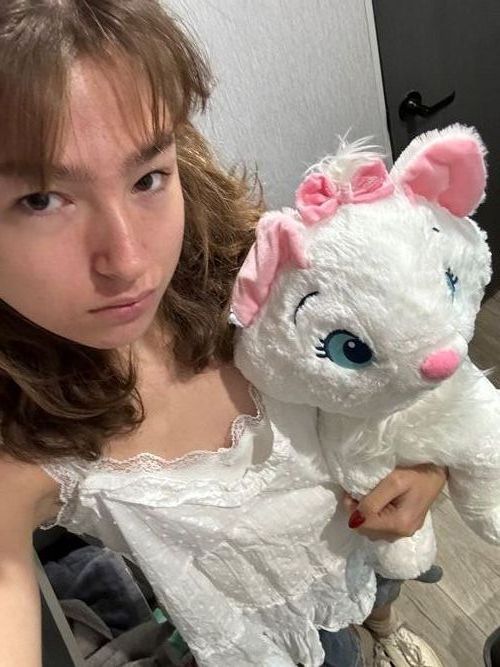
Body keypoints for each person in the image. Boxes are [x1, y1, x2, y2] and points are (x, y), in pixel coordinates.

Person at [0, 1, 448, 665]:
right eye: (41, 199)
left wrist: (428, 460)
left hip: (370, 528)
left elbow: (414, 352)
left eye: (148, 177)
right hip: (267, 623)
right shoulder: (24, 444)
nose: (128, 260)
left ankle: (386, 628)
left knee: (386, 581)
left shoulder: (267, 269)